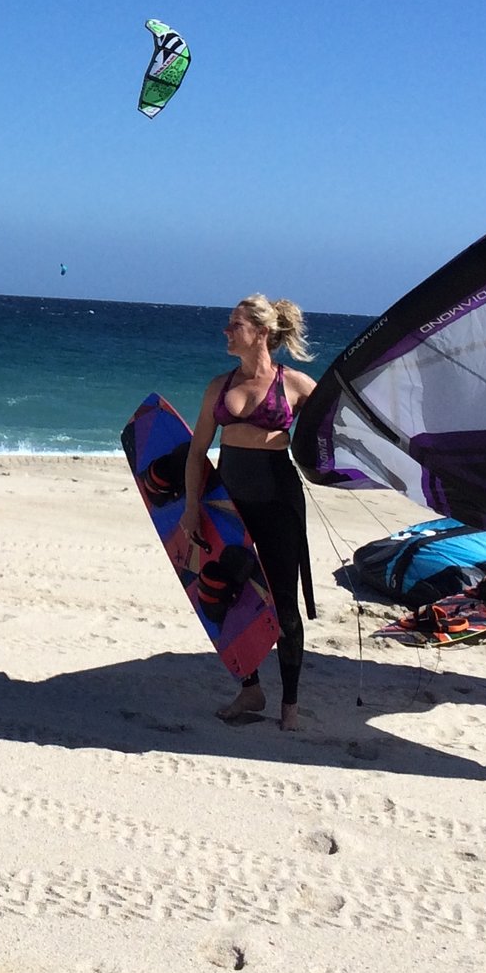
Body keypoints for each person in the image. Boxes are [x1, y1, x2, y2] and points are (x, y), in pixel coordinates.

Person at [183, 294, 317, 731]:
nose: (227, 331)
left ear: (260, 333)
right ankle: (250, 688)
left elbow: (335, 432)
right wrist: (189, 507)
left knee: (283, 604)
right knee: (229, 595)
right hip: (228, 503)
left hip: (279, 504)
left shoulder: (295, 385)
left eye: (235, 325)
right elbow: (197, 451)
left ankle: (291, 706)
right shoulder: (218, 387)